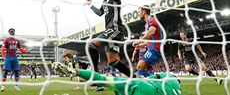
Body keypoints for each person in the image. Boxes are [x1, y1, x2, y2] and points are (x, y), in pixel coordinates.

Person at [86, 0, 133, 78]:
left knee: (91, 44)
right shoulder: (104, 2)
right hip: (110, 30)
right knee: (113, 62)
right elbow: (99, 13)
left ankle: (95, 75)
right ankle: (133, 77)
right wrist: (90, 5)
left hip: (115, 29)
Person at [52, 62, 182, 95]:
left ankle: (77, 71)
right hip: (152, 92)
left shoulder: (168, 76)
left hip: (142, 86)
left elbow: (151, 78)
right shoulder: (178, 90)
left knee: (104, 79)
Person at [132, 6, 162, 77]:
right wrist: (142, 45)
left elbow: (152, 32)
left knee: (139, 66)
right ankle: (156, 84)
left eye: (139, 12)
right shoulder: (147, 24)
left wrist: (139, 41)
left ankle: (144, 86)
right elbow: (151, 39)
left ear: (144, 12)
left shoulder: (151, 20)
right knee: (146, 70)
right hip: (152, 48)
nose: (138, 14)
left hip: (155, 49)